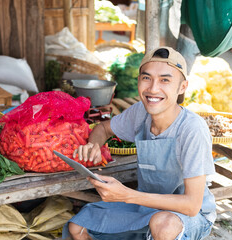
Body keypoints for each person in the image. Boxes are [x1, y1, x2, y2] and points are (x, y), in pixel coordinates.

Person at [62, 46, 216, 240]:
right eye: (146, 78)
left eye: (165, 80)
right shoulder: (140, 112)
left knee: (163, 226)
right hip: (145, 205)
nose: (153, 88)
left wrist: (126, 195)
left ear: (182, 87)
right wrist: (94, 145)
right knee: (79, 226)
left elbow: (192, 205)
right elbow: (103, 129)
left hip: (187, 216)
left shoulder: (192, 129)